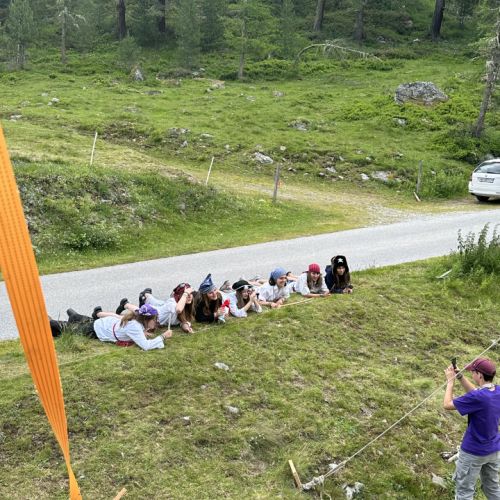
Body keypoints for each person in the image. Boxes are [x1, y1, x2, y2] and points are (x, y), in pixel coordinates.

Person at [443, 357, 500, 500]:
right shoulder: (496, 391)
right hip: (493, 450)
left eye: (473, 372)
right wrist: (460, 377)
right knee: (493, 489)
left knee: (464, 492)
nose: (471, 373)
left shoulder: (477, 397)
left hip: (472, 452)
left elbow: (447, 404)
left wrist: (450, 381)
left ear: (479, 375)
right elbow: (477, 393)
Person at [49, 304, 171, 350]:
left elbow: (133, 333)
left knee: (81, 320)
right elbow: (146, 346)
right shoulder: (135, 326)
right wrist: (163, 337)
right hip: (97, 329)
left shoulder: (136, 320)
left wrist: (143, 333)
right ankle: (48, 322)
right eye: (155, 319)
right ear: (147, 319)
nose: (156, 322)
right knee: (64, 329)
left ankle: (74, 316)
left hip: (105, 323)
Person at [117, 283, 195, 333]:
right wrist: (185, 293)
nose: (189, 296)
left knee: (159, 303)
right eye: (186, 295)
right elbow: (178, 310)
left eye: (191, 294)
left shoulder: (187, 306)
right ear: (180, 296)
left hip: (160, 308)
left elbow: (183, 321)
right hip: (152, 314)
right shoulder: (173, 304)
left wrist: (187, 328)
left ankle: (146, 295)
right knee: (138, 312)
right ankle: (125, 304)